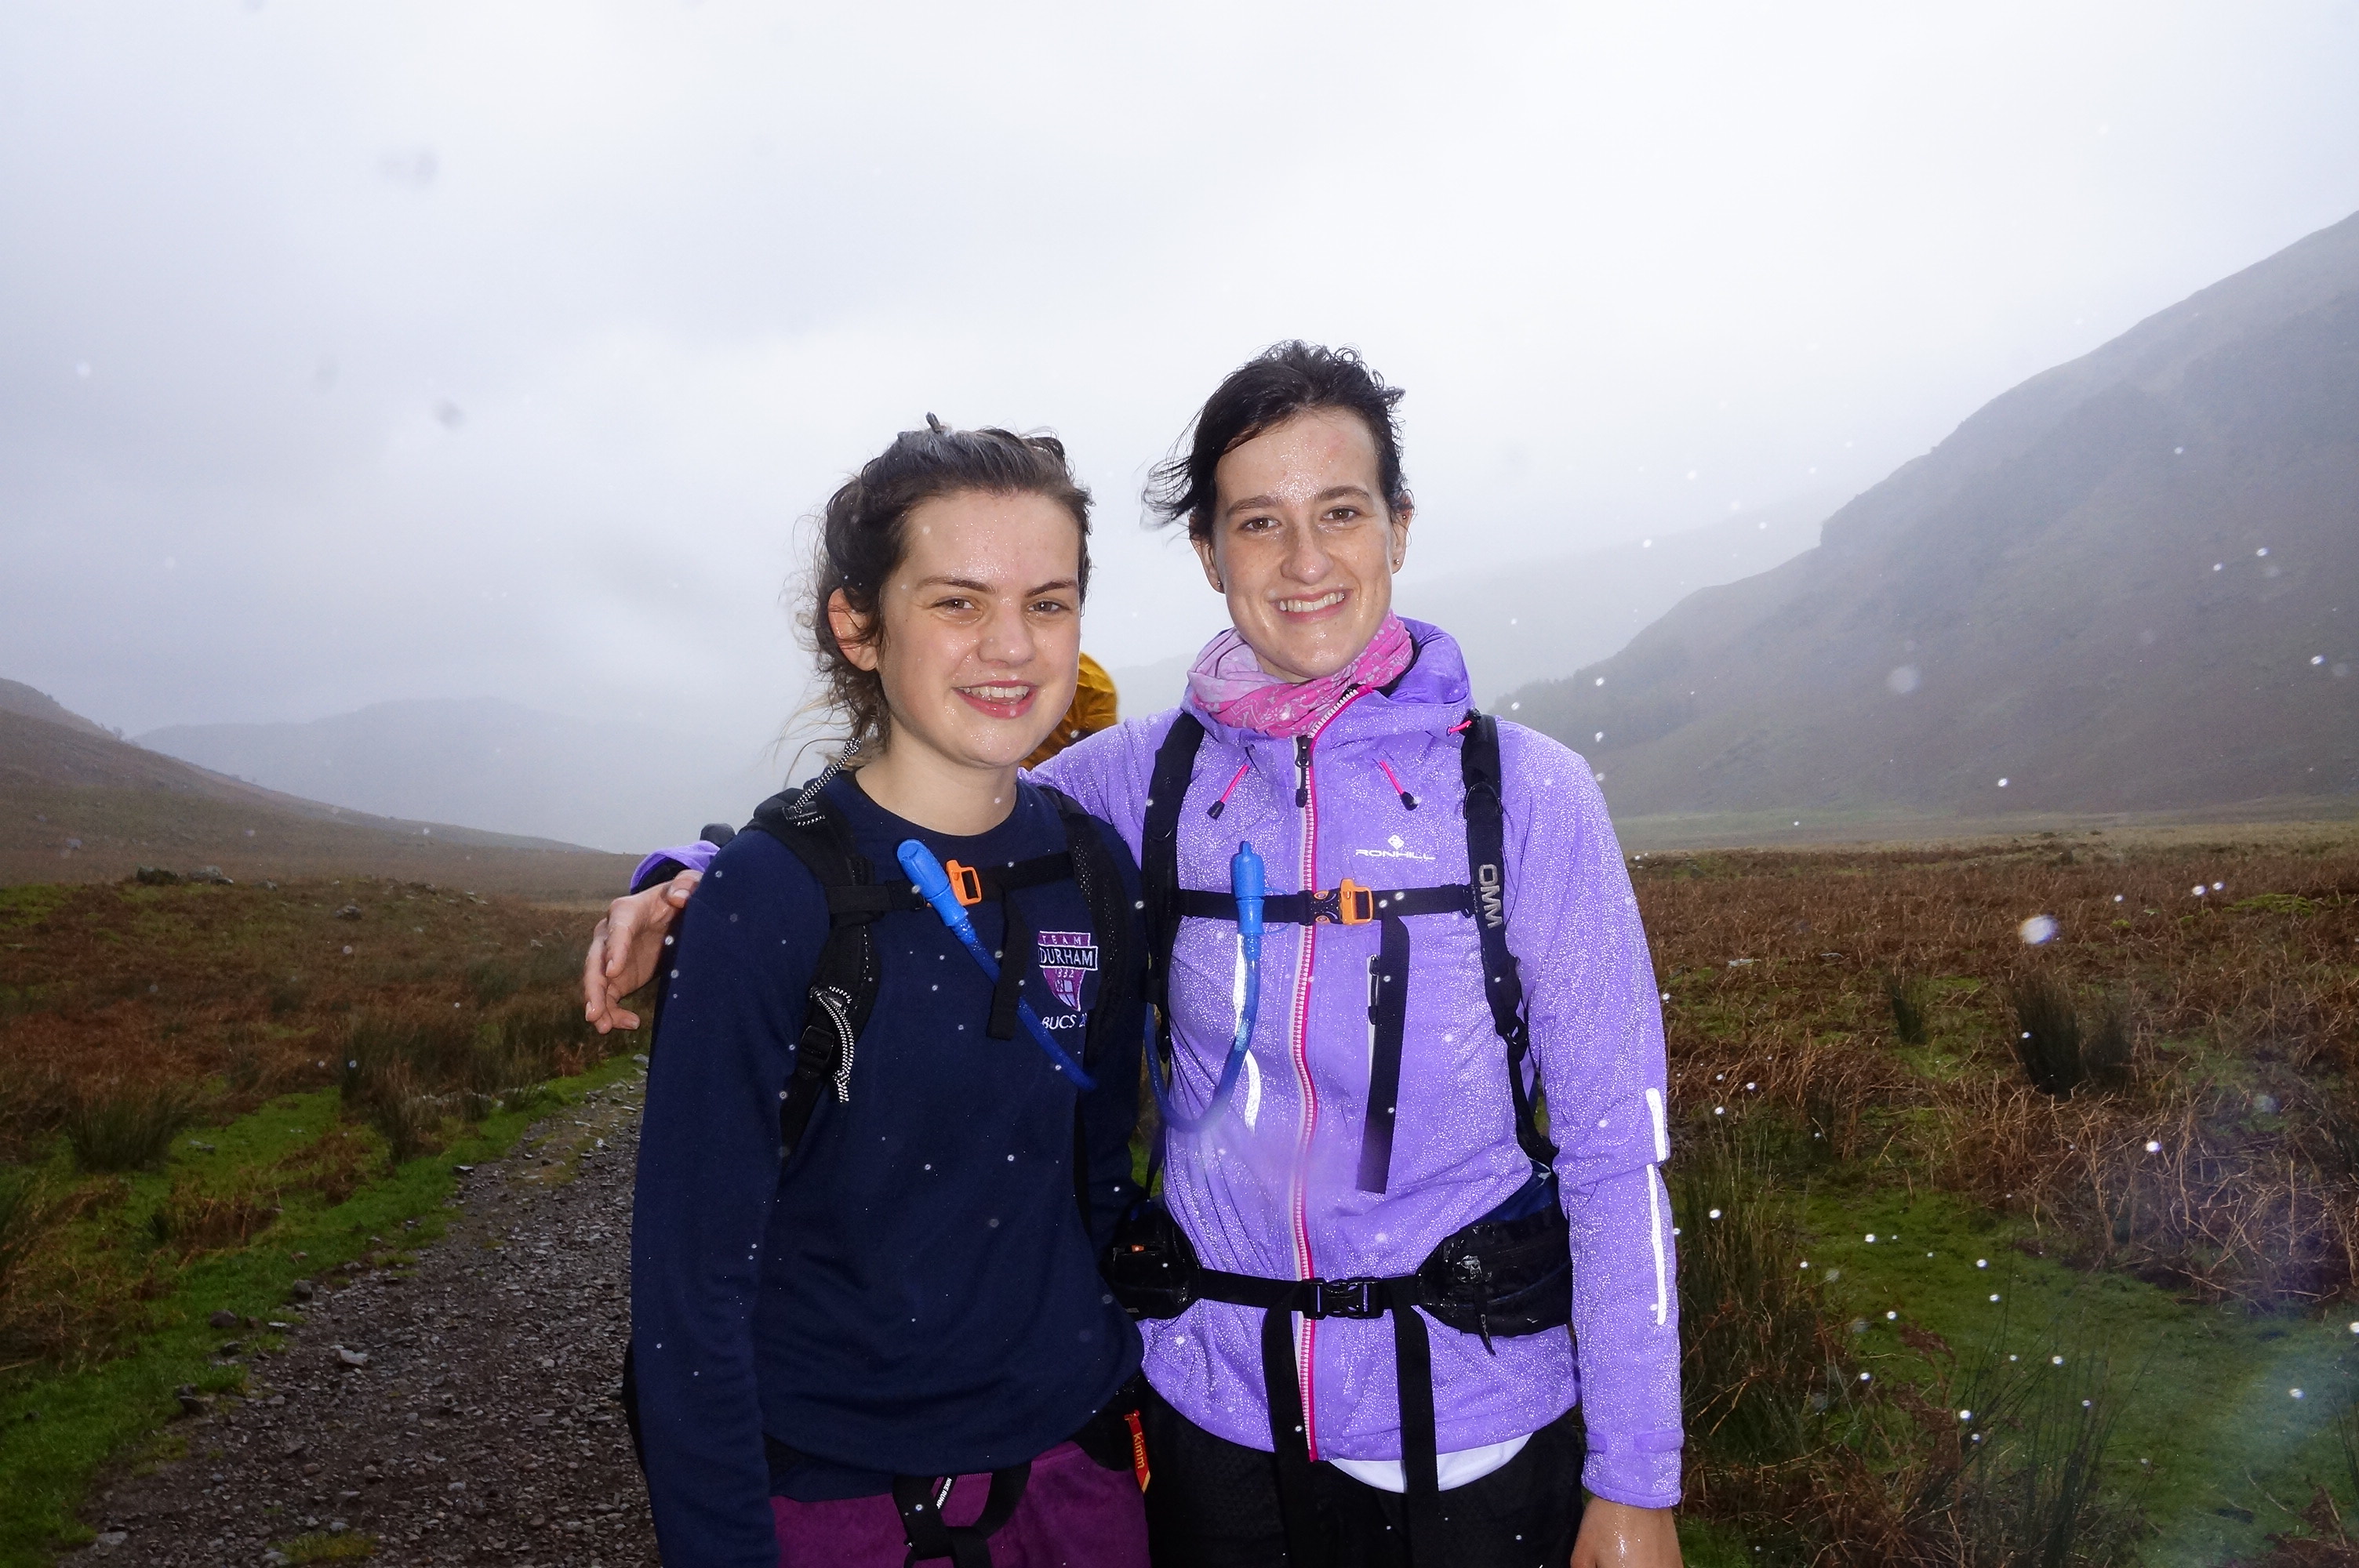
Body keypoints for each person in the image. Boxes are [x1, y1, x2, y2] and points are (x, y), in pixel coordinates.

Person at [593, 346, 1685, 1568]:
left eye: (1342, 513)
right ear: (1212, 556)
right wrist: (696, 874)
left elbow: (1614, 1148)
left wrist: (1636, 1476)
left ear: (1400, 528)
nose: (1307, 560)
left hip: (1477, 1438)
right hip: (1210, 1431)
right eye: (1259, 523)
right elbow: (930, 813)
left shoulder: (1526, 797)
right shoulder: (1144, 783)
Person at [623, 420, 1154, 1568]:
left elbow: (1098, 1165)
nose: (1012, 647)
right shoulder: (768, 899)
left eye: (1049, 602)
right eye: (958, 603)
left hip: (1076, 1474)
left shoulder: (1095, 874)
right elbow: (688, 1295)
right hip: (840, 1502)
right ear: (858, 628)